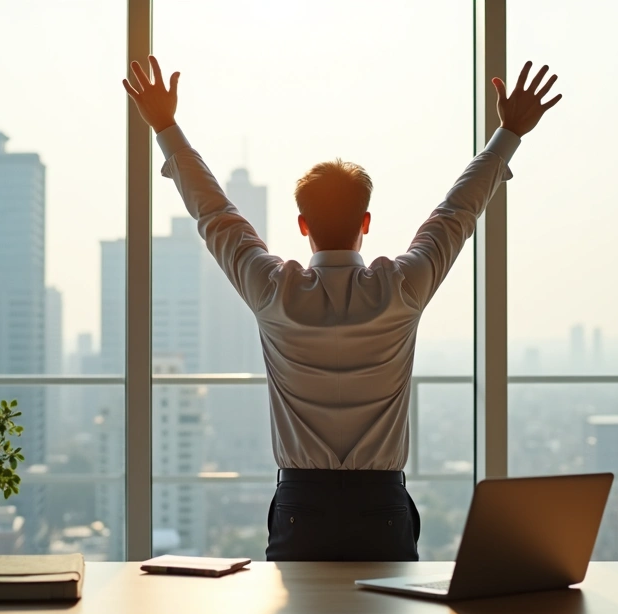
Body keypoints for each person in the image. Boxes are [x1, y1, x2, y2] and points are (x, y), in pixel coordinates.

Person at [123, 56, 560, 561]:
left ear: (302, 224)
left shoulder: (273, 290)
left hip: (299, 506)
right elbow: (456, 213)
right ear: (367, 221)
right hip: (383, 505)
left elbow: (215, 214)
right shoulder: (402, 287)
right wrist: (508, 132)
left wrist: (166, 126)